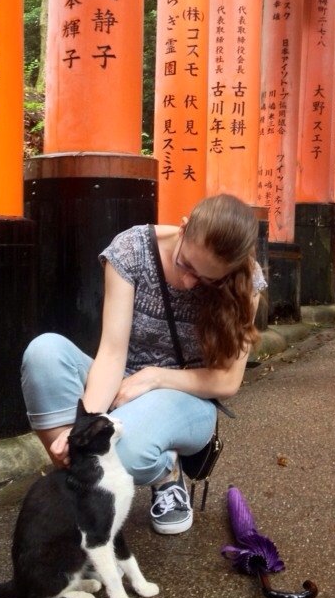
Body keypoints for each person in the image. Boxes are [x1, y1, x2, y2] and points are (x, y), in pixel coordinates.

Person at [20, 193, 267, 536]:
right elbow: (112, 352)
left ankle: (166, 472)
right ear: (183, 228)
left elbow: (227, 382)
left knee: (125, 453)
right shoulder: (132, 250)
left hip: (188, 400)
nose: (190, 282)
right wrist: (85, 428)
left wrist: (154, 377)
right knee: (44, 353)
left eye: (208, 279)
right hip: (122, 384)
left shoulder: (246, 279)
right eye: (186, 265)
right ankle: (81, 486)